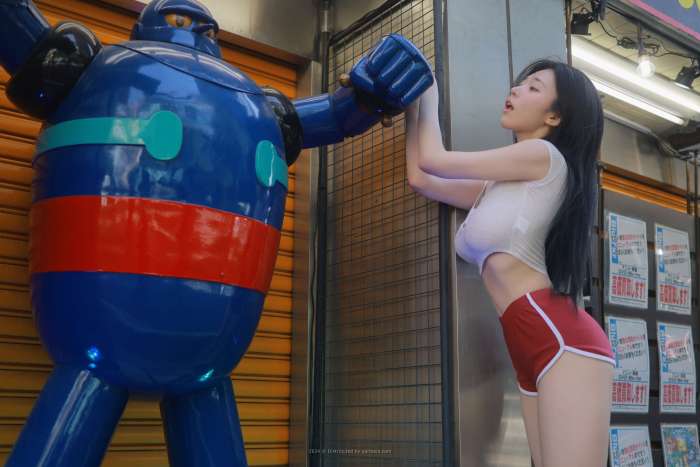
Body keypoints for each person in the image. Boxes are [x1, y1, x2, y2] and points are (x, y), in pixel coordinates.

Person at [405, 59, 615, 467]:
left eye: (533, 87)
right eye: (520, 83)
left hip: (564, 342)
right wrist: (412, 104)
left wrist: (427, 87)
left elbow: (433, 159)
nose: (516, 89)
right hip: (527, 343)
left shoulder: (543, 156)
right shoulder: (497, 186)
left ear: (554, 116)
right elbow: (421, 178)